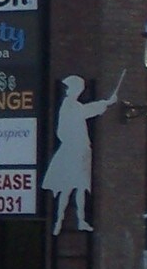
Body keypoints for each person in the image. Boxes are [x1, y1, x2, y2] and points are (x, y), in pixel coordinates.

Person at [42, 72, 120, 235]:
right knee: (68, 188)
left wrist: (106, 103)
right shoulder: (69, 105)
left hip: (80, 150)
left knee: (80, 187)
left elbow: (87, 110)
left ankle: (80, 220)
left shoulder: (73, 105)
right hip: (73, 151)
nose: (69, 91)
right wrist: (106, 103)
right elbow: (86, 111)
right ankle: (60, 221)